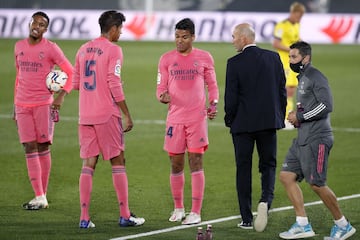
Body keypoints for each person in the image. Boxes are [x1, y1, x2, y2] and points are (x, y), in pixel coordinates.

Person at [73, 10, 145, 229]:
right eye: (121, 28)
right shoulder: (114, 50)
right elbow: (114, 83)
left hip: (85, 115)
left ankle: (84, 218)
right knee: (118, 161)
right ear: (113, 29)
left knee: (88, 164)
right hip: (106, 114)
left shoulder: (83, 49)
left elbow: (76, 83)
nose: (121, 32)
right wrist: (126, 113)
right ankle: (125, 215)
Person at [279, 41, 356, 240]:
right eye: (289, 57)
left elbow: (326, 105)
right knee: (287, 176)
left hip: (317, 138)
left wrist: (301, 117)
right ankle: (303, 224)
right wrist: (298, 117)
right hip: (302, 137)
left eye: (294, 57)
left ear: (306, 58)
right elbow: (310, 106)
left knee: (316, 184)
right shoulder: (303, 78)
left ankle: (343, 224)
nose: (290, 60)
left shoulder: (315, 76)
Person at [156, 18, 219, 225]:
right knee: (175, 164)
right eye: (177, 36)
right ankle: (178, 208)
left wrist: (213, 104)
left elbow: (213, 85)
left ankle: (196, 211)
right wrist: (162, 96)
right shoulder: (166, 59)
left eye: (184, 37)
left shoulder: (204, 57)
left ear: (193, 37)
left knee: (196, 161)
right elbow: (160, 88)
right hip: (175, 118)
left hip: (196, 118)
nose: (179, 41)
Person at [224, 23, 287, 232]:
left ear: (243, 38)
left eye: (234, 37)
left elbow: (231, 97)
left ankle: (246, 218)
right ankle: (265, 202)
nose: (232, 40)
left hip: (242, 124)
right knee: (268, 165)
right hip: (268, 122)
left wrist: (229, 118)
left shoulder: (234, 63)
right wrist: (279, 116)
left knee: (243, 169)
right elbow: (281, 90)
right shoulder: (273, 58)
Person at [14, 11, 73, 210]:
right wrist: (15, 104)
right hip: (22, 105)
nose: (36, 26)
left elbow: (71, 72)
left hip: (42, 104)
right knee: (28, 147)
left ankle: (42, 195)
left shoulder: (51, 49)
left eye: (41, 24)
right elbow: (18, 76)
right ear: (30, 23)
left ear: (46, 29)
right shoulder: (19, 47)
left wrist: (61, 96)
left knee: (42, 147)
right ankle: (39, 196)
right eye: (35, 22)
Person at [273, 2, 306, 129]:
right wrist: (292, 50)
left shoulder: (296, 24)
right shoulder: (282, 26)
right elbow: (276, 43)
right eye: (298, 16)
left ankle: (288, 117)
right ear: (292, 13)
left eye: (301, 17)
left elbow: (297, 39)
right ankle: (285, 118)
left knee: (291, 89)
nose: (299, 19)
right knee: (286, 90)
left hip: (293, 61)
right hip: (284, 60)